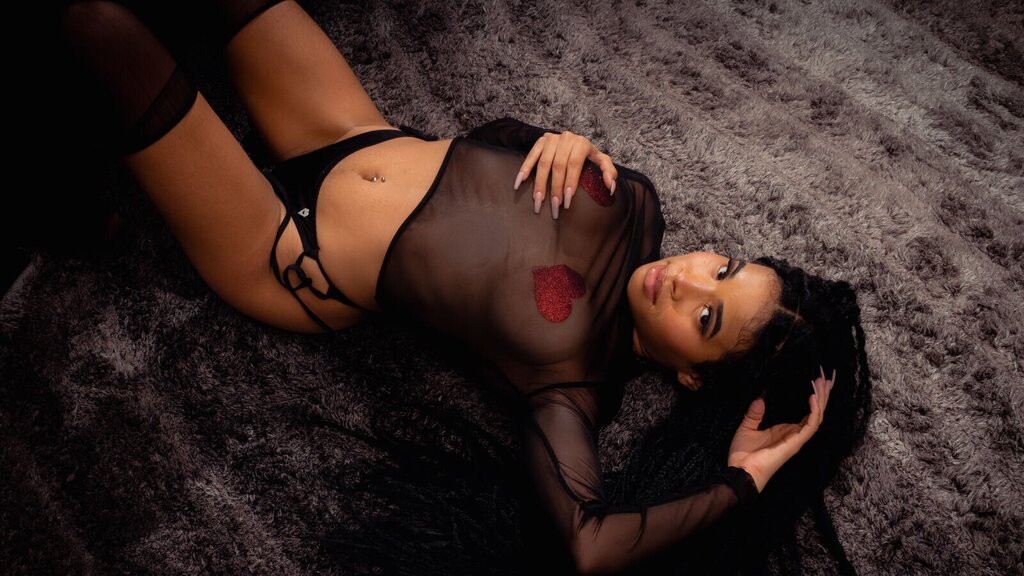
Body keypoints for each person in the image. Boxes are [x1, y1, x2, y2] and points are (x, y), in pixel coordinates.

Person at [59, 1, 871, 573]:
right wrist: (552, 139)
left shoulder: (573, 381)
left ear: (690, 375)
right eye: (721, 268)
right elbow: (484, 147)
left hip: (290, 255)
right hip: (349, 131)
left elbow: (589, 544)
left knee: (101, 26)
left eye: (706, 317)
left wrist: (741, 483)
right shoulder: (634, 198)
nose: (686, 281)